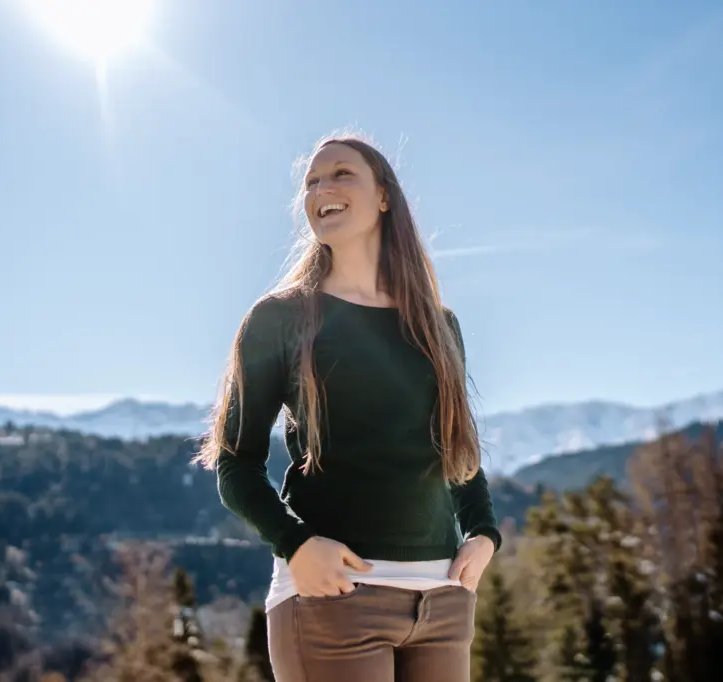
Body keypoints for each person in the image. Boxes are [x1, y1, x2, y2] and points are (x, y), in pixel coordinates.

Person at [195, 132, 501, 682]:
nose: (321, 189)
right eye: (311, 182)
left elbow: (458, 454)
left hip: (443, 602)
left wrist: (483, 534)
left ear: (384, 195)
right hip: (334, 598)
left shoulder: (438, 324)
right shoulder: (280, 319)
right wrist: (296, 545)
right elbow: (234, 463)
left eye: (340, 174)